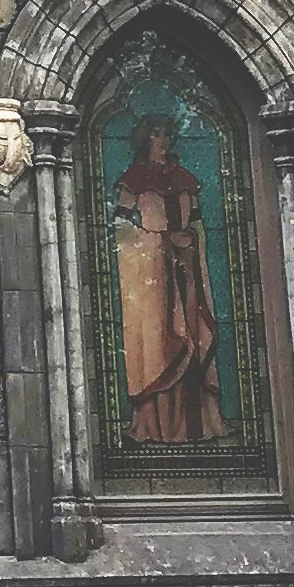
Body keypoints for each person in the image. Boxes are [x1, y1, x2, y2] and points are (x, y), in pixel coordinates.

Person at [110, 102, 225, 446]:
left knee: (193, 337)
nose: (163, 140)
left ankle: (202, 424)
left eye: (167, 133)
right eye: (156, 133)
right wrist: (160, 243)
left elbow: (199, 223)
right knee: (159, 344)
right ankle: (152, 427)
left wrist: (191, 241)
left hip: (187, 275)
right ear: (144, 139)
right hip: (153, 282)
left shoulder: (184, 180)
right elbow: (120, 231)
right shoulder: (133, 183)